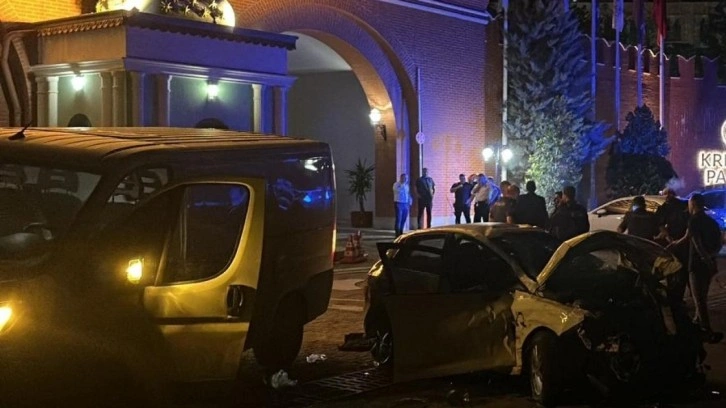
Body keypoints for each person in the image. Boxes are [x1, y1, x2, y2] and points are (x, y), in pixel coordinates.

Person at [668, 194, 724, 344]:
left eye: (689, 203)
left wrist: (705, 258)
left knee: (699, 299)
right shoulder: (711, 221)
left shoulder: (693, 220)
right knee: (702, 296)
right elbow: (720, 241)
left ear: (693, 204)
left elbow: (695, 242)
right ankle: (695, 324)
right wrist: (712, 257)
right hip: (710, 264)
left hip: (697, 265)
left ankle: (706, 330)